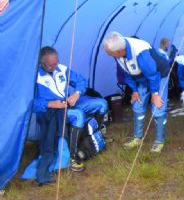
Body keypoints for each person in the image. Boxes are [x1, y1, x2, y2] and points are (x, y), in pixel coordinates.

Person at [34, 46, 108, 174]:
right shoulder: (35, 78)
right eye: (51, 65)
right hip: (53, 111)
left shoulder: (61, 69)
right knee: (78, 115)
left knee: (101, 103)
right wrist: (49, 103)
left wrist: (77, 93)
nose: (54, 67)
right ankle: (73, 156)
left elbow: (81, 81)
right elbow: (30, 104)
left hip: (69, 103)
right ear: (42, 64)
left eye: (56, 63)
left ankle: (94, 134)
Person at [103, 32, 169, 153]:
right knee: (137, 105)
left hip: (158, 75)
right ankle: (137, 138)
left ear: (119, 51)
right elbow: (127, 72)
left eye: (110, 53)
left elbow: (153, 75)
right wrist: (134, 90)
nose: (109, 55)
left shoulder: (140, 52)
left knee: (158, 108)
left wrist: (154, 94)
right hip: (142, 78)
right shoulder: (118, 54)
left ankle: (159, 141)